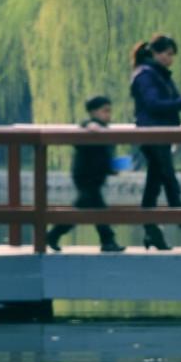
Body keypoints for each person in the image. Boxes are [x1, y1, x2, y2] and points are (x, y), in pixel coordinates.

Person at [130, 34, 181, 250]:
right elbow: (154, 104)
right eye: (167, 54)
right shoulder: (145, 75)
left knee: (155, 181)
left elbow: (170, 103)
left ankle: (151, 230)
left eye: (172, 55)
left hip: (161, 135)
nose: (170, 59)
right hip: (152, 135)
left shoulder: (158, 74)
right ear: (155, 53)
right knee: (168, 180)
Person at [45, 96, 125, 253]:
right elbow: (88, 127)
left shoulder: (105, 130)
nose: (109, 115)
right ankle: (108, 241)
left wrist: (112, 167)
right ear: (93, 112)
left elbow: (105, 155)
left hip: (96, 177)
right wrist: (92, 125)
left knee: (82, 209)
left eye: (109, 111)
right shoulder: (88, 126)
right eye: (105, 111)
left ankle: (52, 235)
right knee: (97, 209)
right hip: (86, 176)